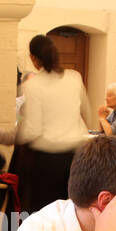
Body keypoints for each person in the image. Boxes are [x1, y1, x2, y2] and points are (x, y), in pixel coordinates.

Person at [15, 34, 91, 212]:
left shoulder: (33, 85)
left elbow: (33, 130)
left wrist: (17, 136)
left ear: (33, 58)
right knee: (72, 211)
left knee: (46, 213)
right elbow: (86, 111)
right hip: (75, 157)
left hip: (47, 160)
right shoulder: (74, 78)